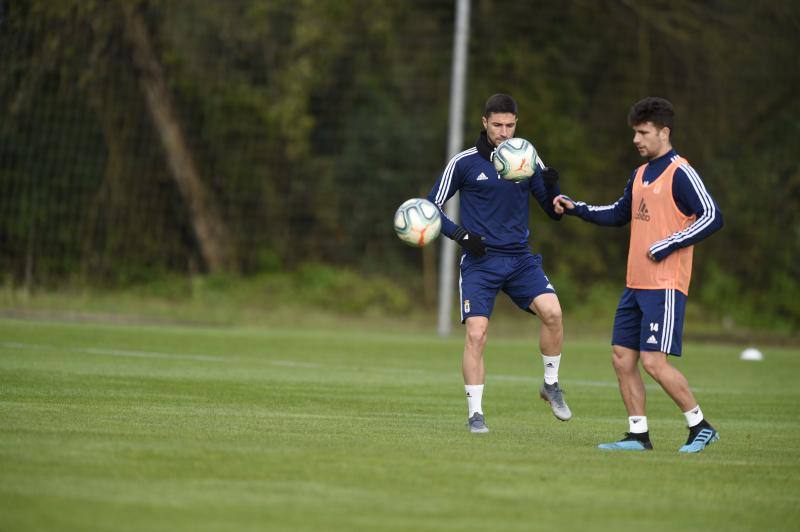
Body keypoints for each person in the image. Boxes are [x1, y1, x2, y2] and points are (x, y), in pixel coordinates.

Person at [553, 97, 723, 452]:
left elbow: (711, 215)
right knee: (622, 357)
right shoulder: (641, 174)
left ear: (664, 132)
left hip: (664, 286)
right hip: (635, 283)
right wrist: (577, 208)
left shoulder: (681, 172)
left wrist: (669, 243)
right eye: (635, 132)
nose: (636, 139)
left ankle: (701, 426)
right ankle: (638, 435)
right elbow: (617, 213)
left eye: (643, 132)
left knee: (653, 362)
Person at [428, 93, 571, 433]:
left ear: (516, 124)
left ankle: (550, 384)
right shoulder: (463, 163)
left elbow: (553, 212)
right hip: (480, 263)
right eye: (497, 125)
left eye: (509, 125)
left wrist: (553, 188)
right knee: (477, 334)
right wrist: (461, 236)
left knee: (553, 313)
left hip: (520, 259)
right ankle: (475, 414)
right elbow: (429, 207)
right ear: (484, 123)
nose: (504, 132)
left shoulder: (526, 157)